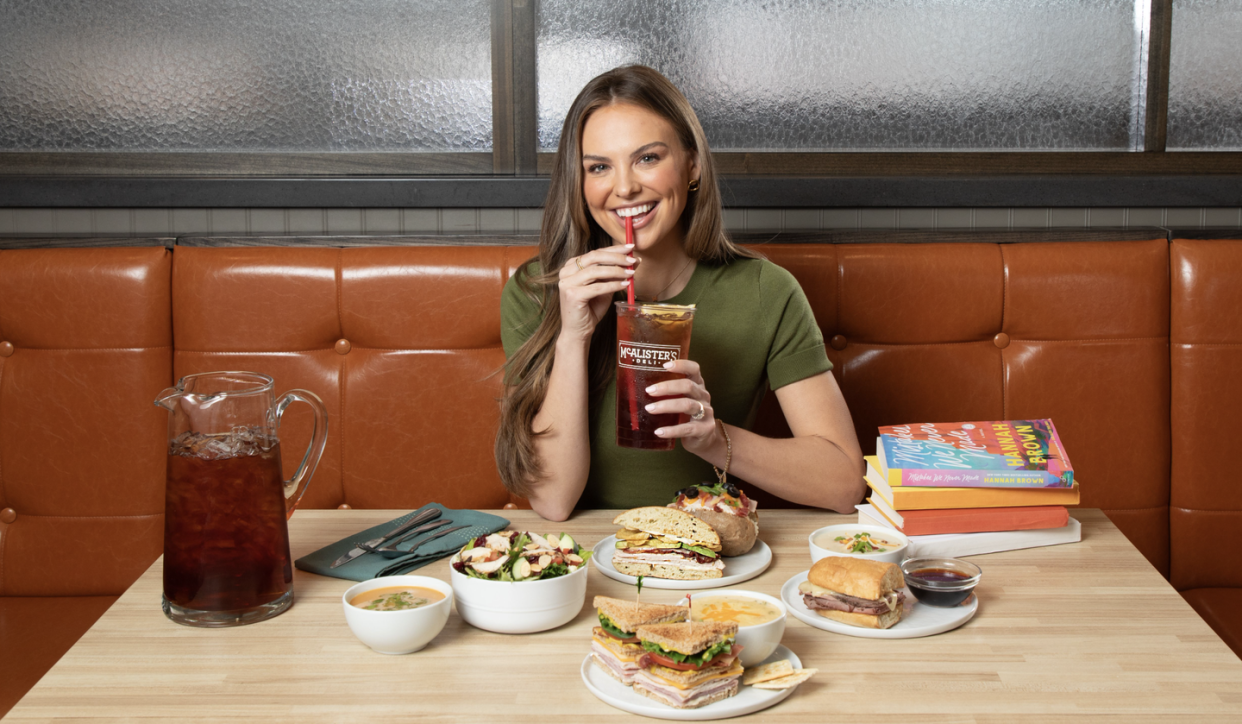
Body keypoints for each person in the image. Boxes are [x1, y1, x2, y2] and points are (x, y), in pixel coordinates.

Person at [496, 65, 863, 521]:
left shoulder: (766, 291)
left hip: (707, 550)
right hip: (585, 556)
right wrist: (573, 336)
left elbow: (845, 483)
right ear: (580, 181)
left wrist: (713, 438)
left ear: (691, 164)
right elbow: (552, 501)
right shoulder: (538, 291)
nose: (625, 186)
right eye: (599, 167)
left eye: (647, 158)